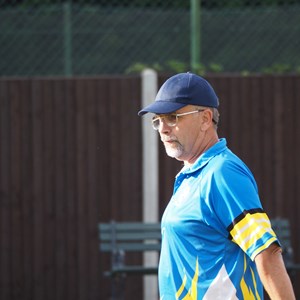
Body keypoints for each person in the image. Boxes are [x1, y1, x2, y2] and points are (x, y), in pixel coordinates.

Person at [138, 72, 295, 299]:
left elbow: (267, 252)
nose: (163, 128)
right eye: (158, 120)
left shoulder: (223, 173)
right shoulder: (192, 174)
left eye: (172, 117)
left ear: (205, 118)